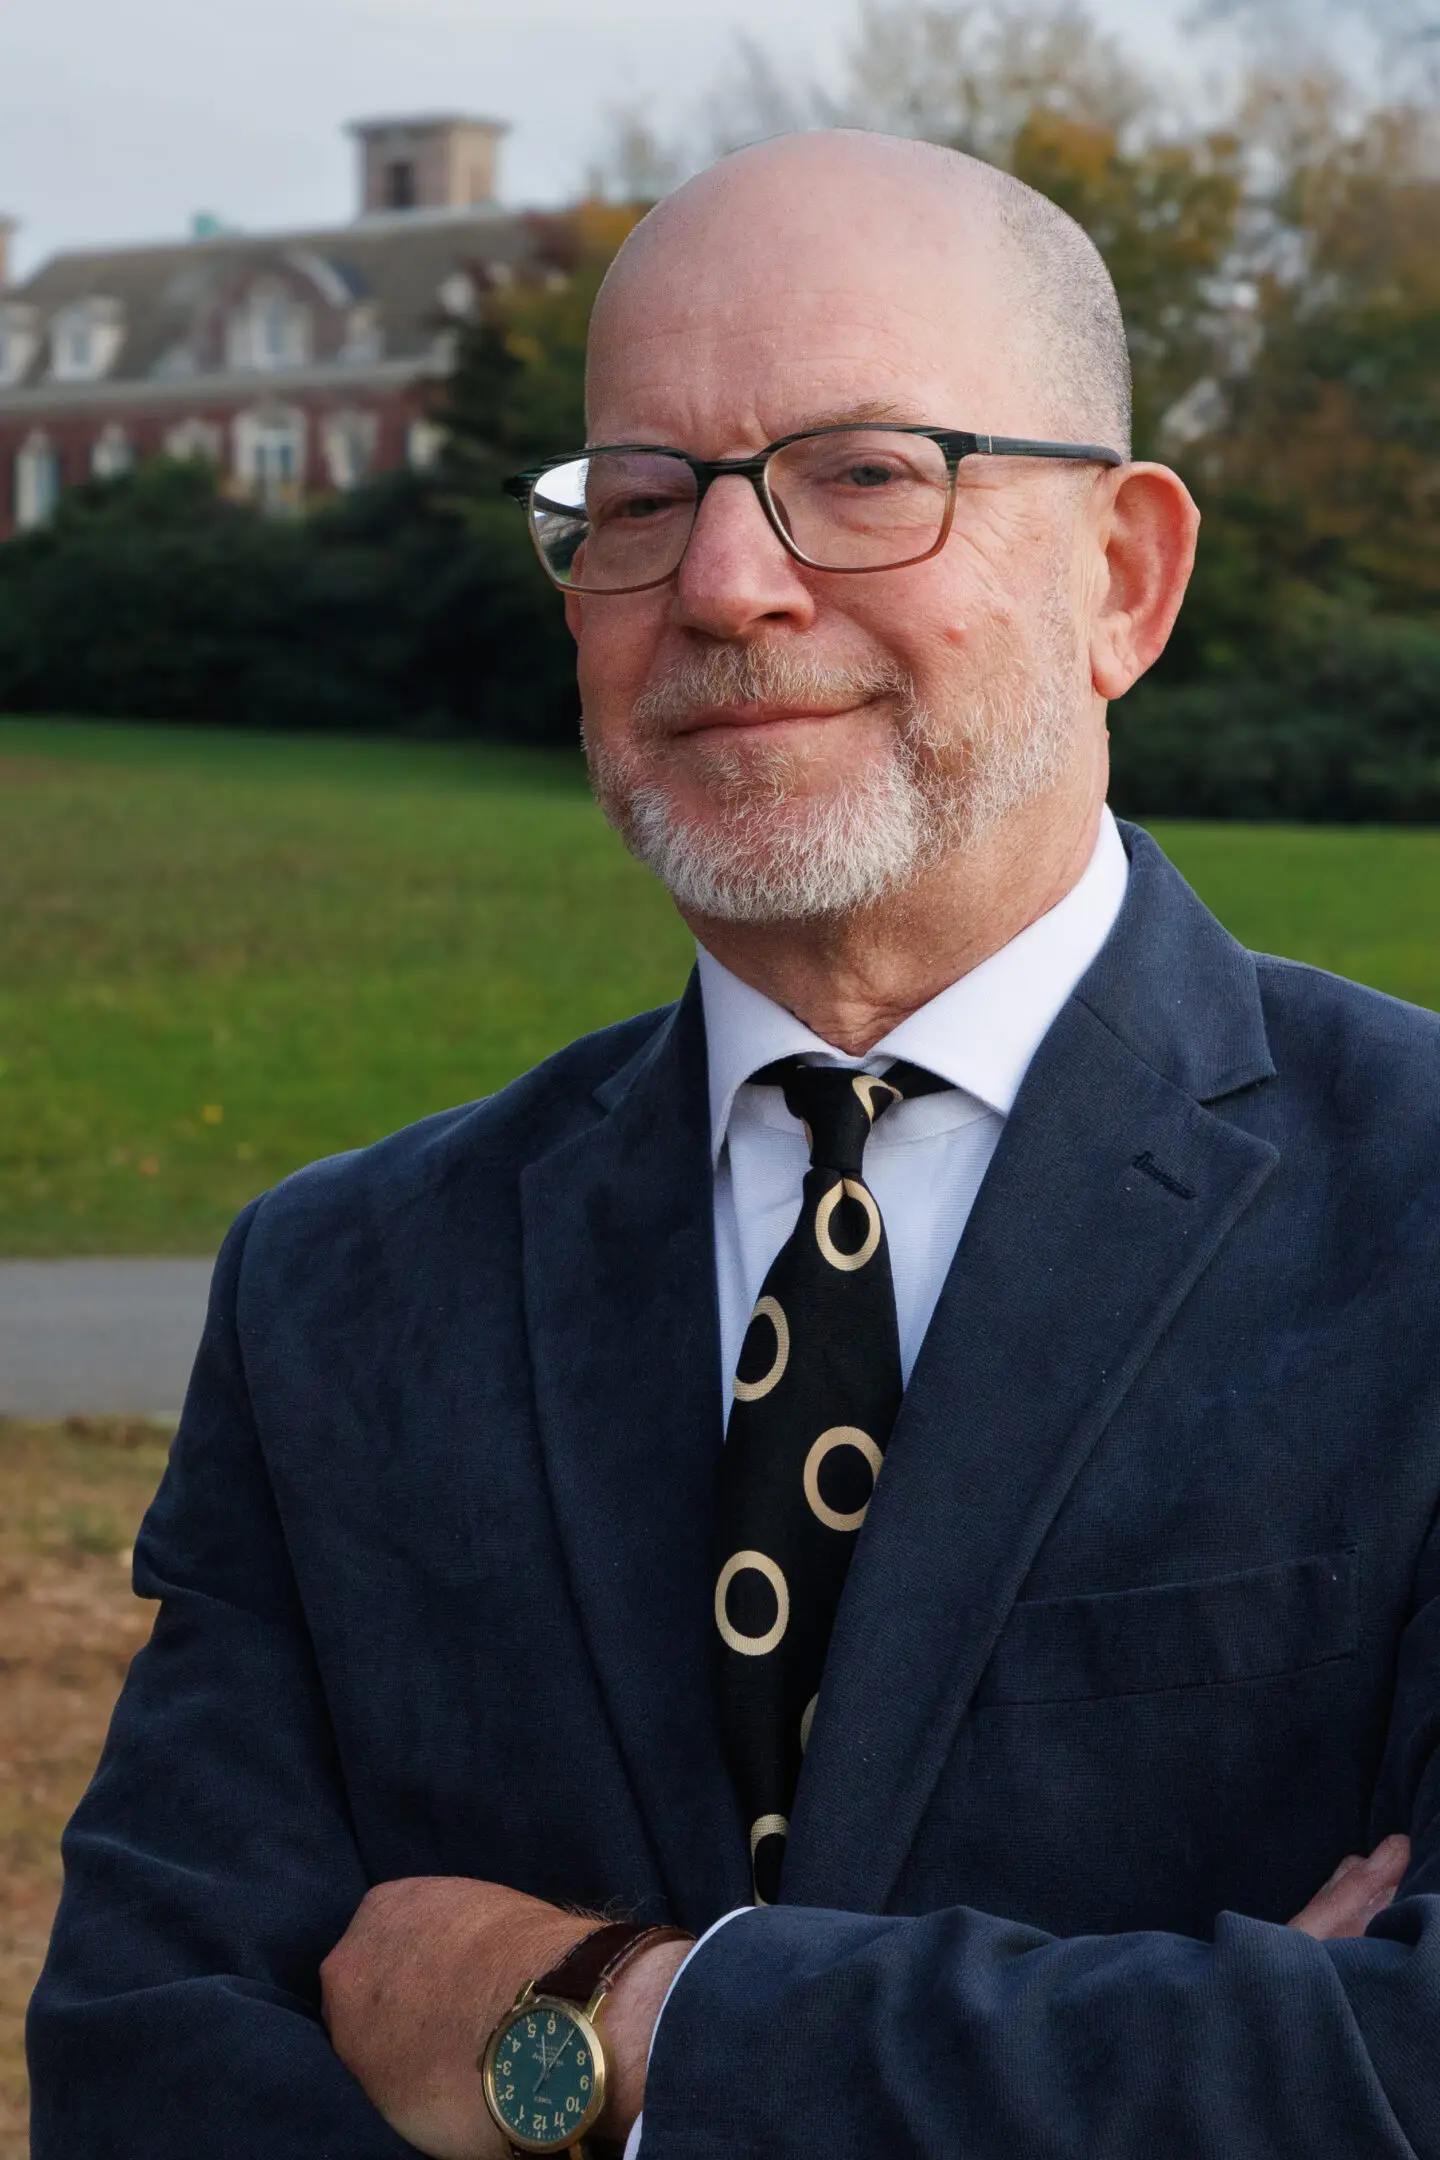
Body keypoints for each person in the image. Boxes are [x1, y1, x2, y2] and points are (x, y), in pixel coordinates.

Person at [28, 129, 1440, 2160]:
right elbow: (149, 2073)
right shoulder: (342, 1290)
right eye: (638, 497)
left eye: (866, 474)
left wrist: (617, 2027)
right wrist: (1192, 2058)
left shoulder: (1414, 1212)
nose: (723, 580)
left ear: (1122, 577)